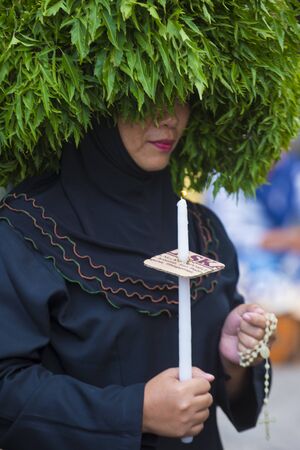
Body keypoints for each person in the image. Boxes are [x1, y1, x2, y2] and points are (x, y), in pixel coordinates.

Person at [0, 103, 273, 450]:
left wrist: (233, 362)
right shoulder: (28, 232)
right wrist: (134, 412)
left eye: (182, 99)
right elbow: (6, 386)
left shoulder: (203, 232)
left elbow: (223, 393)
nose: (169, 119)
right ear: (96, 104)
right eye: (145, 99)